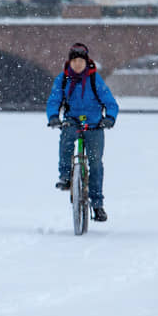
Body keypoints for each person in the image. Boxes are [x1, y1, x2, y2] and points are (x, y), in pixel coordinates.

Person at [46, 43, 119, 222]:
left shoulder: (95, 80)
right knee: (66, 140)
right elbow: (54, 100)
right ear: (69, 62)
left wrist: (109, 118)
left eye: (80, 61)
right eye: (74, 61)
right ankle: (65, 176)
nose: (77, 65)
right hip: (72, 120)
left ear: (86, 62)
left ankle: (97, 205)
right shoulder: (62, 80)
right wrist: (54, 117)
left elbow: (110, 102)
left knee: (95, 163)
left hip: (94, 123)